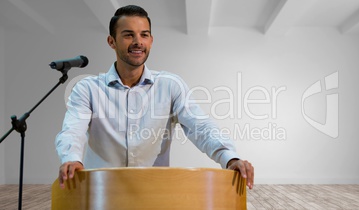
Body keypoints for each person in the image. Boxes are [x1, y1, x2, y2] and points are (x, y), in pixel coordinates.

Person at [55, 5, 254, 190]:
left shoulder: (170, 85)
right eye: (128, 35)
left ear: (151, 40)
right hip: (101, 192)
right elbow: (72, 130)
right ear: (111, 41)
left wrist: (230, 158)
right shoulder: (87, 89)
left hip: (154, 193)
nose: (137, 42)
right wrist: (72, 158)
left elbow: (200, 127)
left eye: (144, 35)